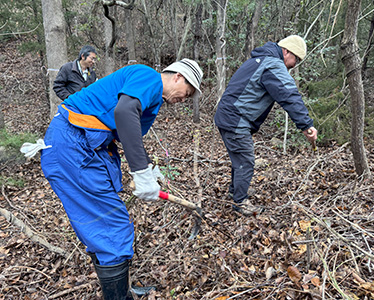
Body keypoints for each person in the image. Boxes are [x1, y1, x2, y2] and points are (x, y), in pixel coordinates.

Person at [40, 59, 203, 299]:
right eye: (186, 93)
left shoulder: (152, 99)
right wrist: (139, 170)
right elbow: (124, 112)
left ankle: (120, 291)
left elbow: (126, 130)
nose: (183, 99)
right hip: (72, 145)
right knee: (111, 225)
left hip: (84, 148)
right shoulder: (148, 77)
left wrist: (147, 168)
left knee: (105, 226)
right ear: (177, 76)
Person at [214, 35, 318, 216]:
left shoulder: (259, 60)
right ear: (286, 52)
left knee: (239, 159)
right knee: (245, 160)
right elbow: (289, 95)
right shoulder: (272, 64)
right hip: (235, 118)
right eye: (296, 59)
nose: (295, 65)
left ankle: (236, 191)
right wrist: (306, 124)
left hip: (229, 116)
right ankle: (240, 202)